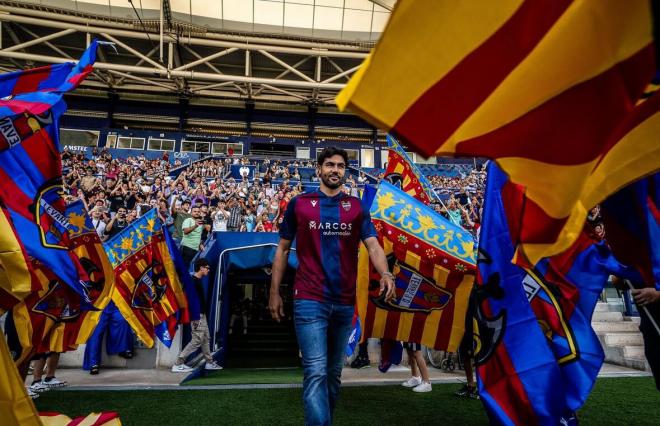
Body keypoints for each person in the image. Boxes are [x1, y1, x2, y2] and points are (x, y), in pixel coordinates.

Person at [269, 147, 395, 426]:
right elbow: (282, 249)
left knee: (334, 374)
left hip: (344, 302)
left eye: (340, 166)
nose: (335, 170)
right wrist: (274, 292)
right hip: (309, 299)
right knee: (315, 371)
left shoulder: (357, 207)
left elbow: (372, 245)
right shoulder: (299, 204)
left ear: (345, 171)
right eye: (329, 165)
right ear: (319, 169)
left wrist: (386, 274)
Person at [172, 258, 223, 372]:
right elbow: (188, 300)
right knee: (197, 339)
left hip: (201, 314)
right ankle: (178, 363)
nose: (208, 270)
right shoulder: (193, 282)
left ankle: (209, 362)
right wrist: (195, 315)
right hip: (196, 315)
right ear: (201, 267)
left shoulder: (197, 280)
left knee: (205, 338)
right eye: (207, 268)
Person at [83, 301, 134, 375]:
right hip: (98, 303)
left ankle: (123, 348)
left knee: (123, 320)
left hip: (116, 301)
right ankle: (93, 363)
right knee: (95, 333)